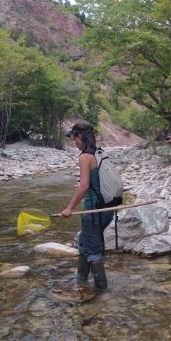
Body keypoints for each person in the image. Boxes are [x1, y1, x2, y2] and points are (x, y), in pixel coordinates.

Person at [61, 122, 114, 292]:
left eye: (74, 138)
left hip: (93, 212)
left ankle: (102, 290)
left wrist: (69, 208)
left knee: (92, 251)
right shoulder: (100, 153)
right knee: (84, 242)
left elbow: (84, 186)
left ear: (80, 136)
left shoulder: (85, 157)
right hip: (107, 210)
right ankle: (81, 280)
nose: (73, 142)